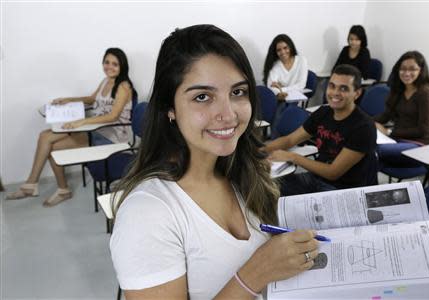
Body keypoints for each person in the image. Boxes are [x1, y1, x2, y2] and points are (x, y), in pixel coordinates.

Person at [110, 24, 319, 299]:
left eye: (237, 92)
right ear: (170, 109)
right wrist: (255, 273)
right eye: (202, 97)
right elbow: (258, 273)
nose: (228, 114)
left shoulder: (240, 172)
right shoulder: (148, 213)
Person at [6, 48, 137, 207]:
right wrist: (68, 100)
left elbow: (113, 116)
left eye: (115, 64)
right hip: (95, 131)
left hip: (111, 138)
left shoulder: (123, 86)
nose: (109, 67)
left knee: (51, 146)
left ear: (122, 66)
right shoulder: (106, 81)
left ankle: (53, 188)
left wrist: (81, 122)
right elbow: (91, 99)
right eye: (107, 62)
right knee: (45, 136)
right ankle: (33, 185)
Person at [263, 64, 378, 196]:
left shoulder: (364, 126)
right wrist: (259, 151)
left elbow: (333, 172)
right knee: (265, 189)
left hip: (343, 191)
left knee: (292, 208)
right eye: (332, 86)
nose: (335, 93)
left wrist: (292, 157)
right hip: (316, 179)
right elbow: (290, 140)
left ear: (357, 93)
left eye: (344, 88)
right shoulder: (323, 112)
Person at [374, 51, 429, 167]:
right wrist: (366, 121)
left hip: (419, 145)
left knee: (373, 150)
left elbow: (423, 129)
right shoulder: (399, 90)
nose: (407, 73)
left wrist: (389, 132)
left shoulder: (425, 94)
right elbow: (386, 115)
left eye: (412, 69)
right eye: (403, 69)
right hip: (396, 140)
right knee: (363, 144)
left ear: (421, 71)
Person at [263, 34, 308, 138]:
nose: (283, 52)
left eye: (285, 48)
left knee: (283, 108)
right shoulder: (276, 65)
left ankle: (277, 138)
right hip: (280, 97)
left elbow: (301, 85)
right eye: (279, 50)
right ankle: (280, 138)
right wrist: (279, 92)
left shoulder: (301, 60)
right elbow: (271, 87)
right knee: (279, 106)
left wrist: (281, 88)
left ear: (290, 47)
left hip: (296, 96)